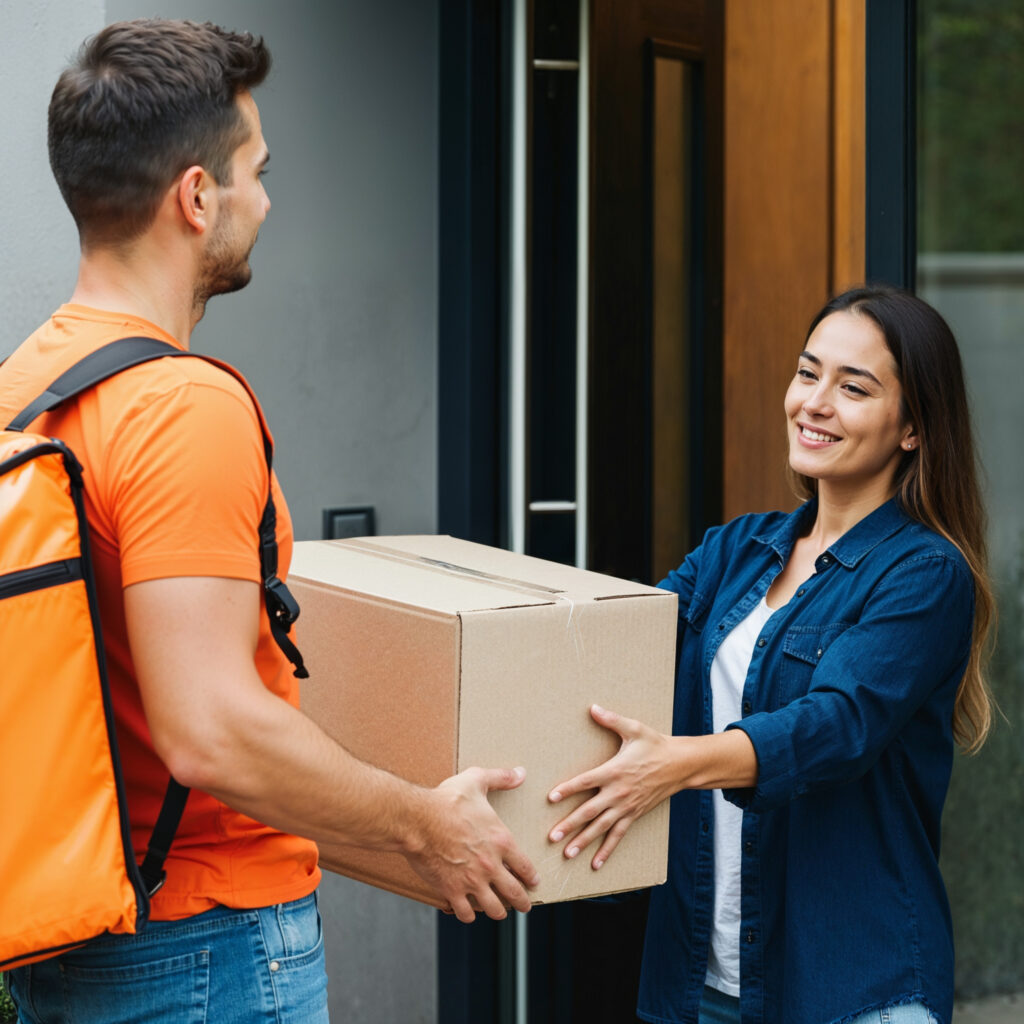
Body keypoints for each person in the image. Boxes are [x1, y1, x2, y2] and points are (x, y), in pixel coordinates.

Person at [0, 19, 538, 1023]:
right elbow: (209, 729)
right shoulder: (180, 405)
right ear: (196, 198)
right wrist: (424, 825)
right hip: (204, 950)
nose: (267, 199)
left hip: (86, 938)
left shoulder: (24, 387)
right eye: (255, 171)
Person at [546, 286, 994, 1024]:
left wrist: (673, 766)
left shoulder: (925, 573)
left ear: (913, 427)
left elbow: (836, 726)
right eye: (807, 373)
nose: (814, 402)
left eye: (853, 388)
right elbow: (618, 644)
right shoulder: (736, 549)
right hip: (704, 978)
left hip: (851, 986)